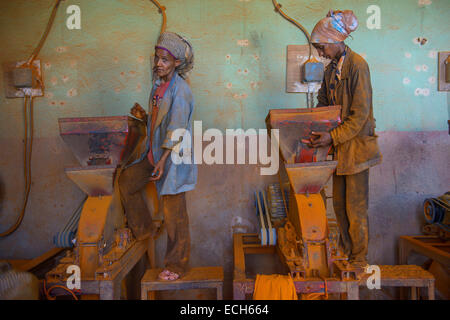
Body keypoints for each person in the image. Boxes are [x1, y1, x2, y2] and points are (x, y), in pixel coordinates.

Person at [119, 31, 197, 281]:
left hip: (172, 157)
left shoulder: (181, 90)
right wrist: (144, 116)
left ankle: (177, 265)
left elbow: (175, 128)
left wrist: (162, 162)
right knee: (127, 182)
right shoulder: (158, 85)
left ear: (176, 62)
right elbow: (158, 121)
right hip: (152, 153)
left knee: (175, 214)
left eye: (165, 60)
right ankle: (144, 230)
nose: (159, 64)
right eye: (157, 58)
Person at [308, 10, 382, 267]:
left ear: (334, 40)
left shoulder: (358, 65)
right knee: (339, 206)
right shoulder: (331, 71)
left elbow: (360, 114)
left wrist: (332, 137)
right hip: (339, 151)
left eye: (322, 47)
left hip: (357, 150)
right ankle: (346, 254)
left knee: (356, 208)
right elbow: (324, 105)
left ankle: (359, 259)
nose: (321, 53)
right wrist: (311, 123)